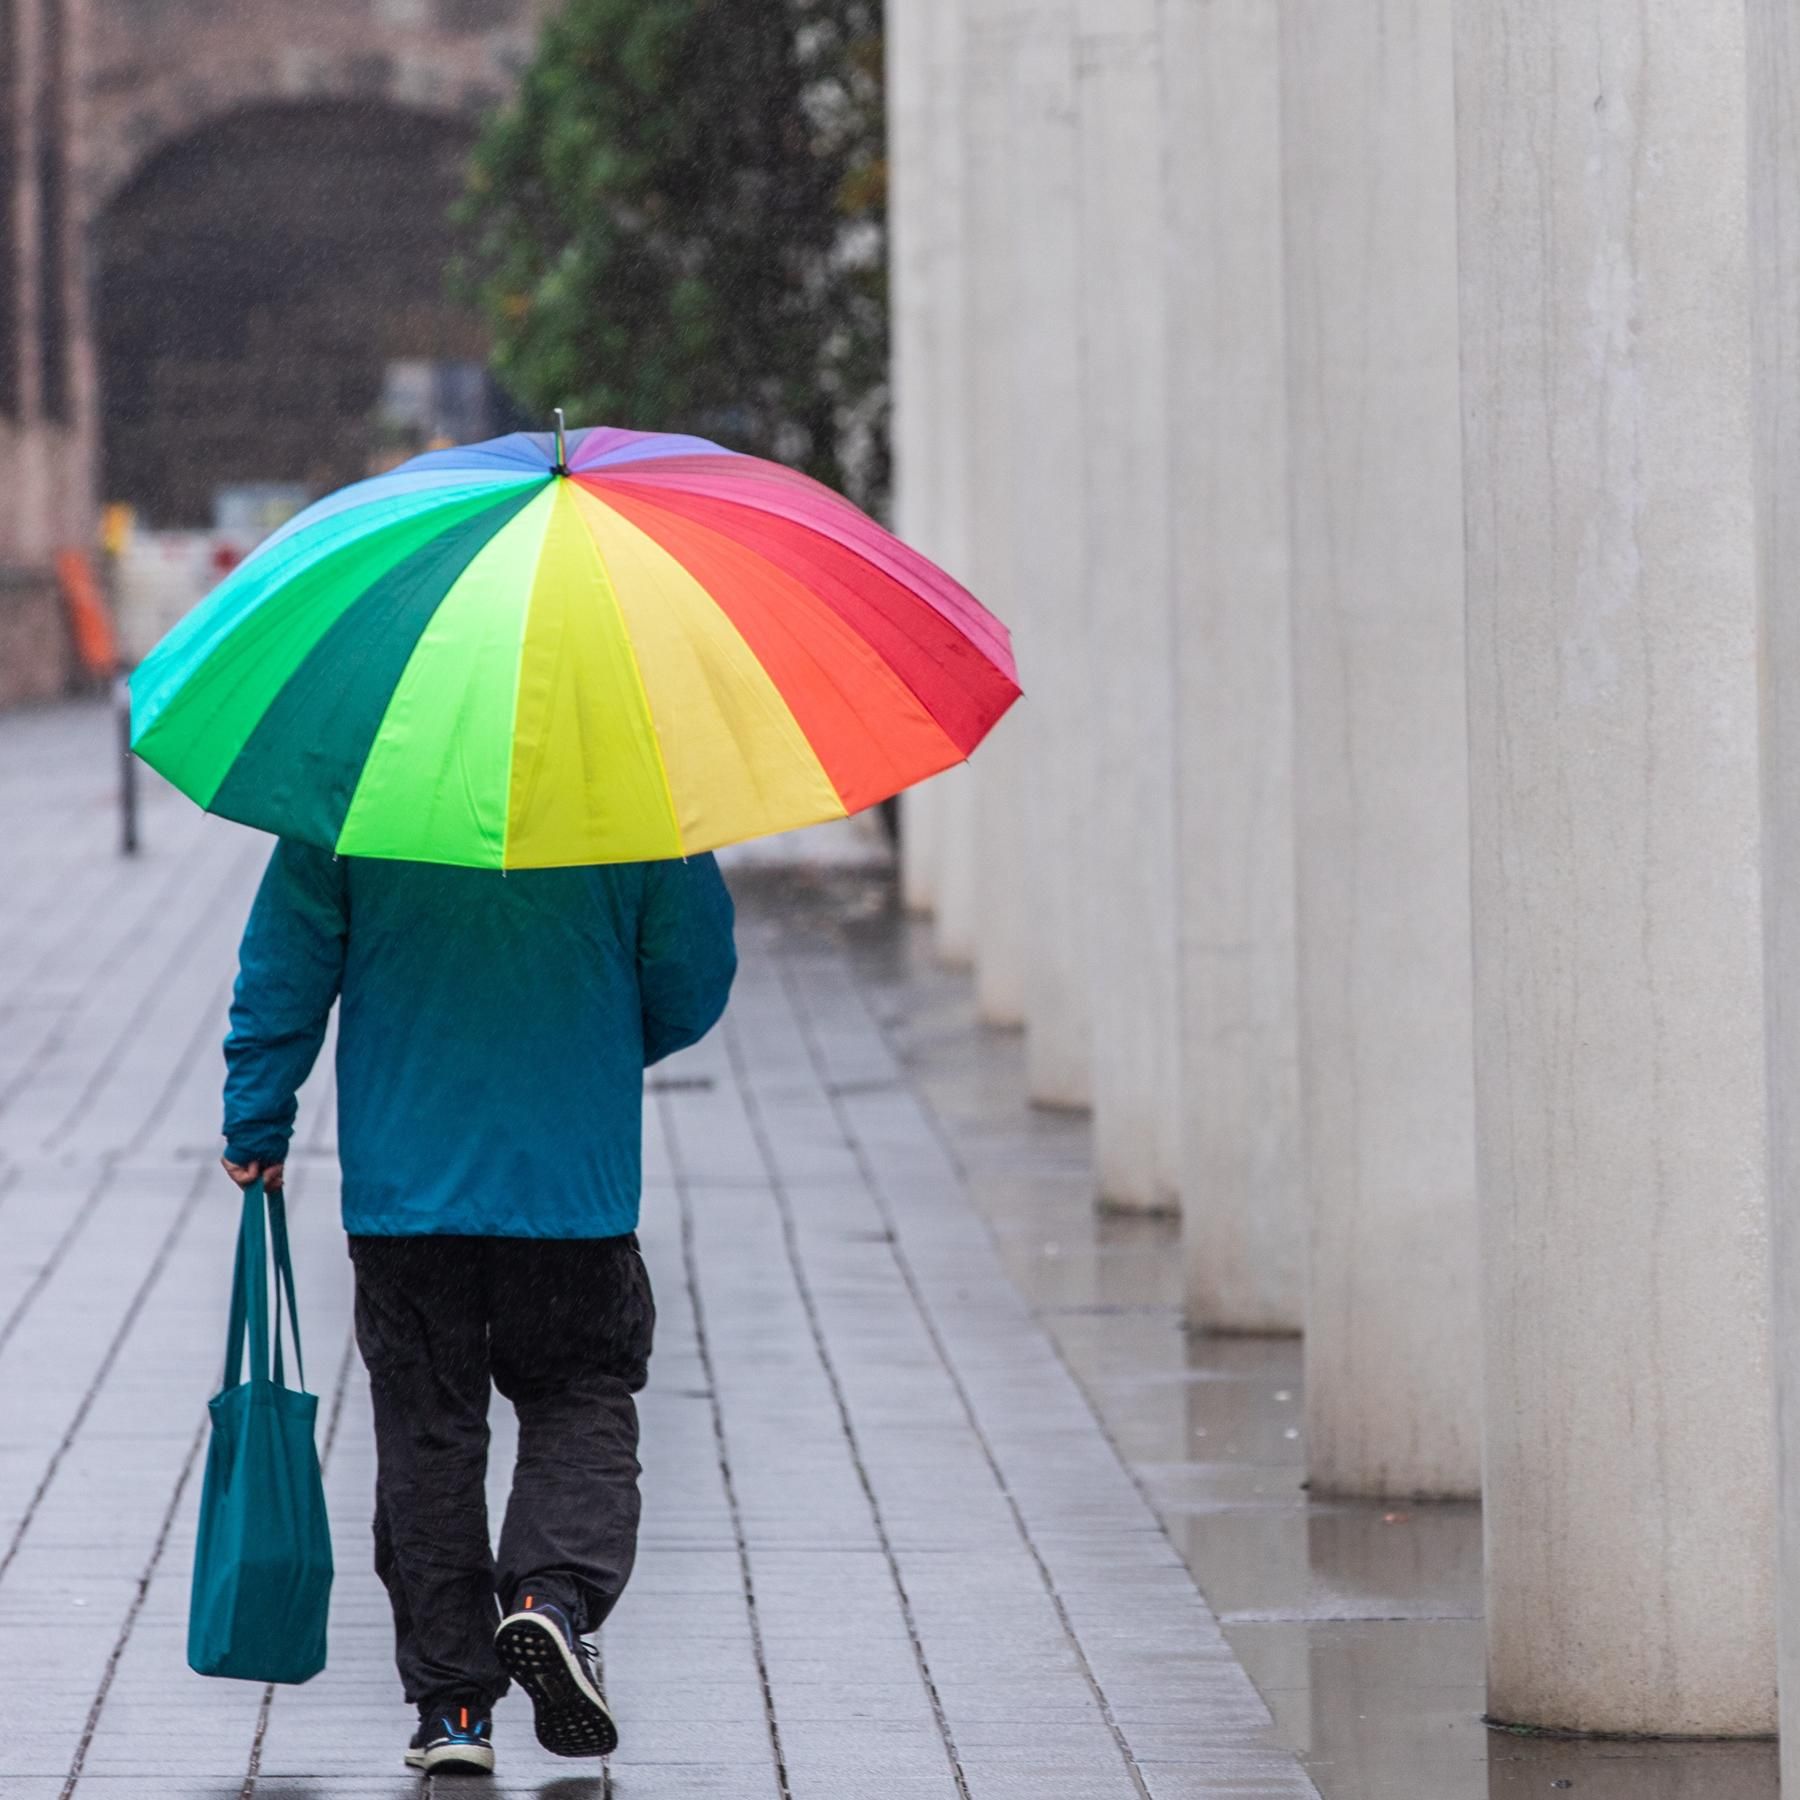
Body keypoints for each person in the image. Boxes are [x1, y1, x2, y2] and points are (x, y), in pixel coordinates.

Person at [218, 840, 736, 1776]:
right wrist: (599, 1039)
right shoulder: (640, 802)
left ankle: (453, 1708)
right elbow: (694, 975)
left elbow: (285, 965)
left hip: (407, 1188)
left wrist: (258, 1115)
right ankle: (550, 1600)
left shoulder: (354, 797)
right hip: (572, 1184)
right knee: (580, 1392)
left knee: (428, 1430)